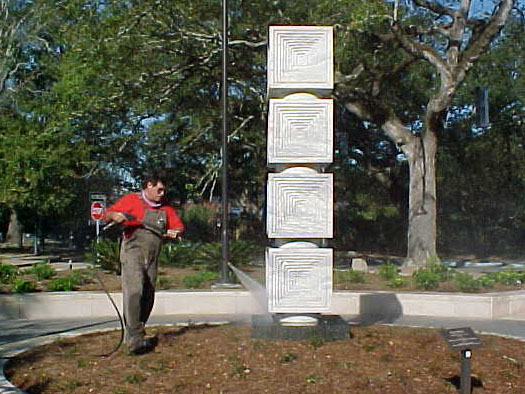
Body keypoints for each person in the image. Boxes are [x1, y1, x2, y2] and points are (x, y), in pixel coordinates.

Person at [105, 172, 184, 355]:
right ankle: (134, 339)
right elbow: (107, 215)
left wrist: (176, 232)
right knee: (134, 291)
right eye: (159, 189)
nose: (162, 193)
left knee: (148, 296)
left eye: (164, 190)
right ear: (148, 185)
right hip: (133, 252)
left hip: (153, 256)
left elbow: (177, 226)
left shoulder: (166, 209)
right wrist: (115, 215)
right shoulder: (132, 200)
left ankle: (136, 330)